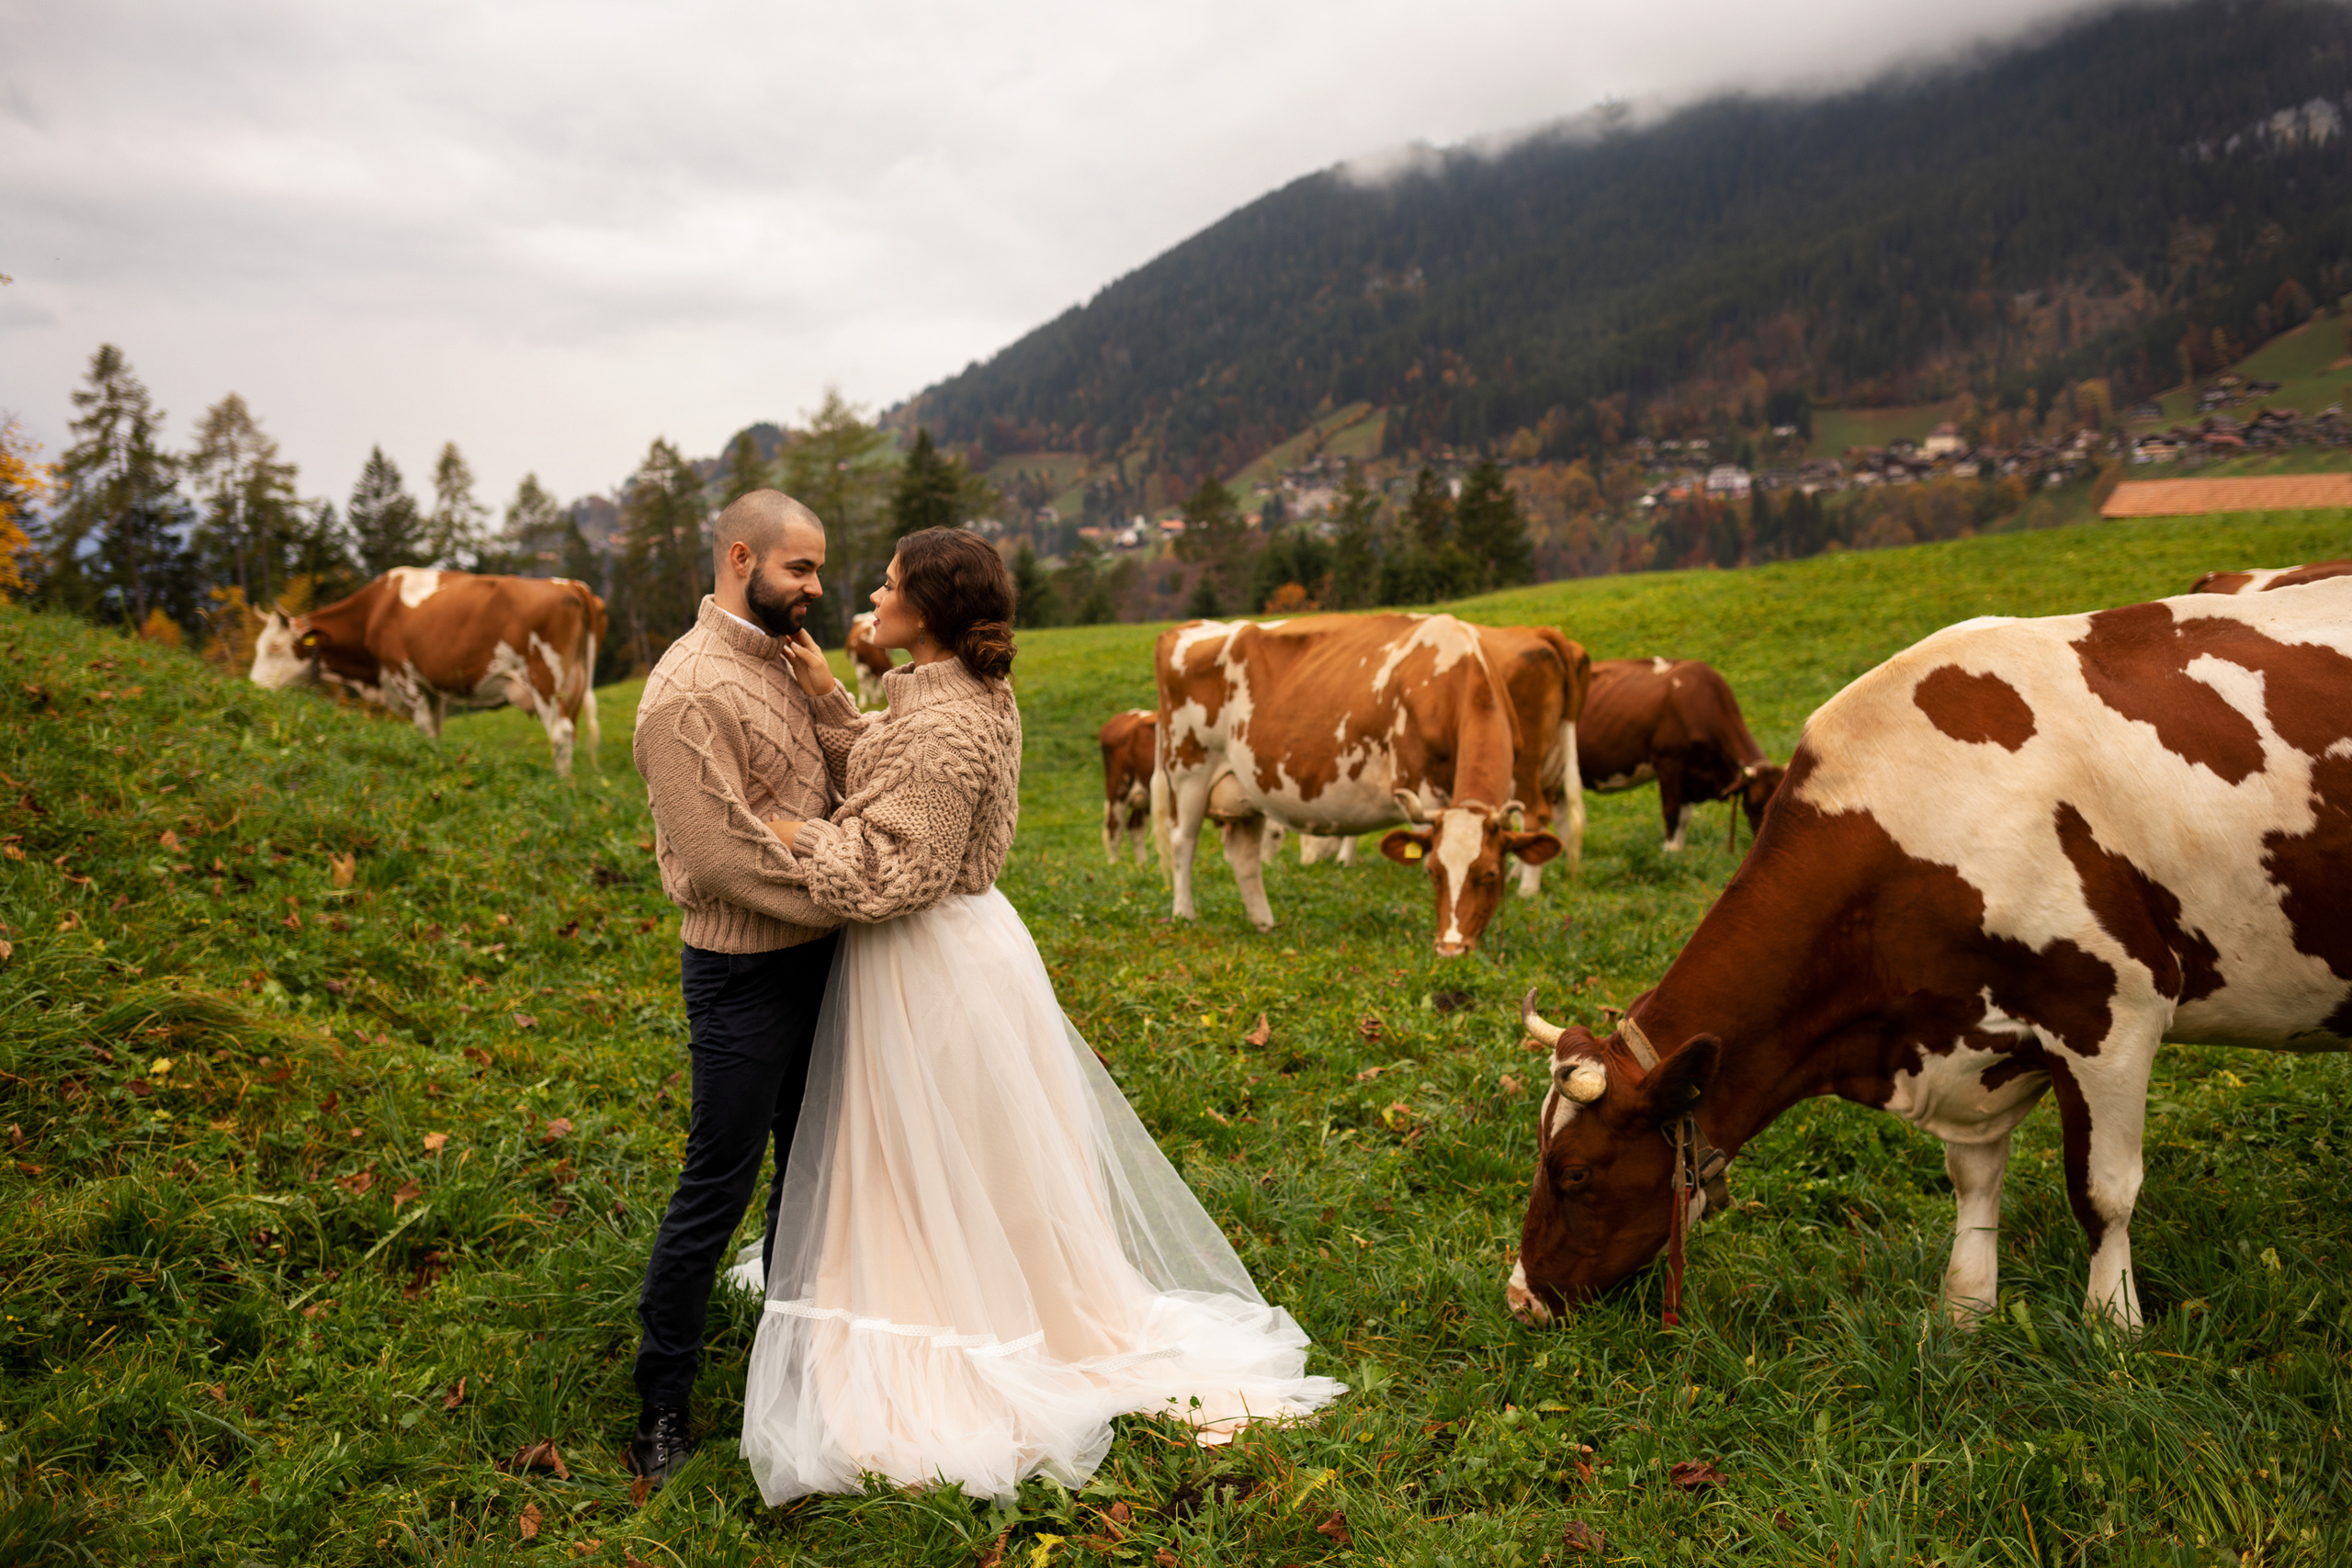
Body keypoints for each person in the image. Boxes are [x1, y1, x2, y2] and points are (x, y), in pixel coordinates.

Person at [737, 526, 1344, 1504]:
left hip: (927, 961)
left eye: (889, 588)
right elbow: (890, 771)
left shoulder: (946, 724)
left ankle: (966, 1321)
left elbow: (897, 870)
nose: (872, 598)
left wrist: (789, 831)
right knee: (977, 1157)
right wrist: (826, 697)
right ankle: (992, 1283)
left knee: (939, 1152)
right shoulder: (953, 697)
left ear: (925, 614)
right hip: (966, 949)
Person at [626, 490, 841, 1490]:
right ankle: (659, 1405)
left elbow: (831, 798)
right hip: (742, 973)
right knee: (719, 1181)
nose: (817, 587)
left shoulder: (790, 664)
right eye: (800, 569)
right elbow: (719, 861)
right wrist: (853, 899)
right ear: (741, 556)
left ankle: (797, 1367)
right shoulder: (685, 691)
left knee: (812, 1167)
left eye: (822, 570)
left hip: (824, 958)